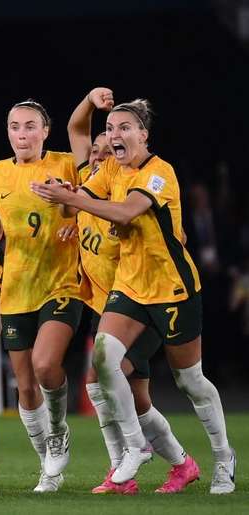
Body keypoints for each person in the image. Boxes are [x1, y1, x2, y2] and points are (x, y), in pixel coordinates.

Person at [30, 99, 235, 494]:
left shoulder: (160, 174)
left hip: (172, 287)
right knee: (104, 359)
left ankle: (224, 457)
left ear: (143, 134)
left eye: (124, 127)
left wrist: (71, 200)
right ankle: (135, 447)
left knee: (190, 381)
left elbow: (125, 212)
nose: (115, 135)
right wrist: (66, 193)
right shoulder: (109, 167)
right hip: (129, 285)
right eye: (110, 128)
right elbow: (87, 195)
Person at [67, 89, 199, 495]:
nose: (94, 159)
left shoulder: (122, 200)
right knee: (131, 397)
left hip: (137, 302)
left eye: (103, 154)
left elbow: (162, 235)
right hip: (102, 303)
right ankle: (176, 464)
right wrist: (90, 100)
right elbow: (76, 128)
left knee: (105, 381)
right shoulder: (90, 187)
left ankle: (139, 463)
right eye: (93, 153)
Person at [0, 100, 85, 492]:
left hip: (61, 283)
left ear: (46, 131)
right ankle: (49, 466)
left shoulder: (65, 164)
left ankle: (59, 429)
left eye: (30, 126)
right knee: (25, 386)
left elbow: (95, 202)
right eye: (14, 127)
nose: (22, 134)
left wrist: (73, 218)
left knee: (46, 366)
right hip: (15, 289)